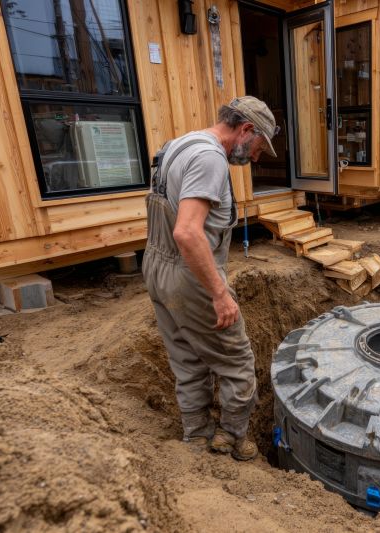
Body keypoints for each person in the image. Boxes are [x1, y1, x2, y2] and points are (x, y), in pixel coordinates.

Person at [142, 96, 278, 461]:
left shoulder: (178, 145)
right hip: (190, 277)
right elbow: (187, 232)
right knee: (237, 363)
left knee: (187, 362)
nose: (255, 158)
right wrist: (219, 293)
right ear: (246, 130)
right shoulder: (209, 158)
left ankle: (197, 437)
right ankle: (231, 439)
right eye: (259, 147)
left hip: (156, 268)